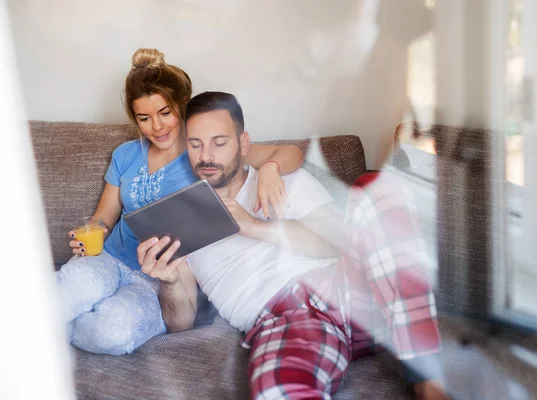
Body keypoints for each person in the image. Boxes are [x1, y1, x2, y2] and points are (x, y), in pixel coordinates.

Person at [137, 91, 448, 399]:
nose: (206, 156)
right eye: (195, 144)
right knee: (278, 392)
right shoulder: (182, 220)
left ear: (243, 144)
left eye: (219, 142)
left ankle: (428, 379)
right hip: (284, 323)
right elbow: (181, 322)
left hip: (349, 291)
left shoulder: (281, 180)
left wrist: (255, 227)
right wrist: (170, 280)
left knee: (380, 189)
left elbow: (338, 243)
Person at [55, 49, 305, 356]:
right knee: (63, 298)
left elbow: (292, 152)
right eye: (144, 118)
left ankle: (56, 329)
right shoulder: (125, 155)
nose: (157, 127)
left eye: (165, 113)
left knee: (113, 335)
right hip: (109, 258)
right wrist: (89, 233)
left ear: (181, 108)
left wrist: (270, 168)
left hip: (157, 281)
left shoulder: (205, 153)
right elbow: (104, 217)